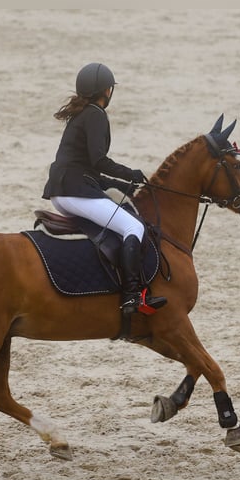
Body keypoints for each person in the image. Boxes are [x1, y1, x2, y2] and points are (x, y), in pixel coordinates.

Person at [42, 62, 167, 316]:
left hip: (63, 190)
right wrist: (129, 173)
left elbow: (87, 166)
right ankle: (132, 296)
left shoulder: (80, 114)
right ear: (107, 91)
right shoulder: (96, 115)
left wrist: (120, 185)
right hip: (73, 192)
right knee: (134, 227)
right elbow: (98, 160)